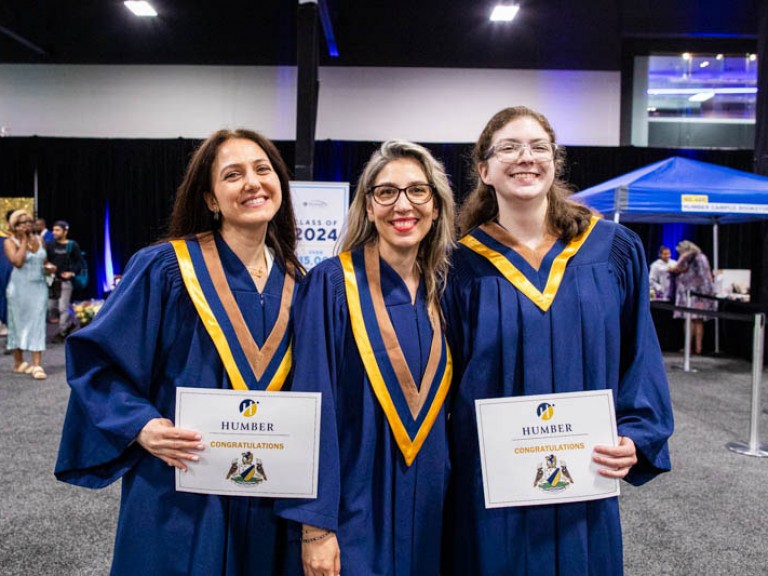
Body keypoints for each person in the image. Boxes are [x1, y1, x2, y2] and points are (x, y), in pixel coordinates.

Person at [55, 129, 302, 575]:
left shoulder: (300, 285)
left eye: (263, 170)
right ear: (210, 198)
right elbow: (97, 361)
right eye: (233, 174)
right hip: (181, 485)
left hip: (270, 491)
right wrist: (141, 425)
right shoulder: (165, 269)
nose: (252, 182)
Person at [442, 106, 673, 575]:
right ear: (484, 170)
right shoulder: (457, 265)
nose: (525, 157)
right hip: (490, 483)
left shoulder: (613, 249)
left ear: (555, 162)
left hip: (583, 483)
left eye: (538, 147)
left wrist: (637, 435)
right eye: (508, 148)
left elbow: (639, 355)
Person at [275, 140, 456, 576]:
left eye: (417, 191)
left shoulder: (446, 291)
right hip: (354, 505)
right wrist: (315, 526)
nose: (403, 205)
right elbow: (312, 407)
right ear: (369, 207)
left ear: (435, 206)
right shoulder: (332, 286)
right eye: (386, 192)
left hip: (431, 505)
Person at [4, 209, 55, 379]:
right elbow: (17, 262)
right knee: (17, 324)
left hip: (39, 287)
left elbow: (44, 261)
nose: (25, 225)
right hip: (19, 288)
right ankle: (18, 363)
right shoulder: (9, 242)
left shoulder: (40, 240)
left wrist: (50, 267)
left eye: (27, 221)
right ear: (14, 226)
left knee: (37, 322)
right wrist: (25, 240)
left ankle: (37, 365)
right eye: (21, 223)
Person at [669, 239, 715, 355]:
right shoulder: (702, 257)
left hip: (689, 294)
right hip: (702, 293)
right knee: (699, 321)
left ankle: (688, 347)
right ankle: (698, 348)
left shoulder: (686, 257)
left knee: (688, 320)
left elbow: (676, 269)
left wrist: (669, 269)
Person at [46, 220, 85, 341]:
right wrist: (48, 267)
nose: (54, 232)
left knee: (63, 307)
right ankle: (72, 321)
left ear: (65, 231)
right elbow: (45, 260)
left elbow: (79, 262)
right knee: (50, 307)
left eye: (57, 230)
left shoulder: (72, 245)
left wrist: (71, 272)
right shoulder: (50, 245)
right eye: (53, 229)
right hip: (52, 280)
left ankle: (62, 332)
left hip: (65, 282)